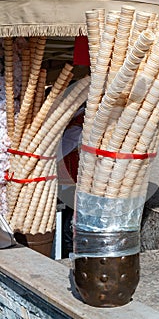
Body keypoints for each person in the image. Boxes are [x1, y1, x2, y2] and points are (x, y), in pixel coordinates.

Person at [57, 103, 85, 258]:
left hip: (70, 177)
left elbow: (64, 147)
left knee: (68, 219)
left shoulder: (78, 122)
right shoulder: (73, 119)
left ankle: (67, 253)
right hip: (65, 176)